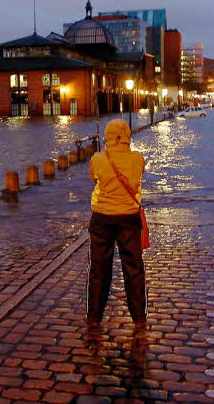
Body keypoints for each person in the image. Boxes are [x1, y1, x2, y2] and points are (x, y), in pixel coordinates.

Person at [86, 118, 147, 329]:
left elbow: (95, 179)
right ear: (127, 138)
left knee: (99, 269)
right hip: (129, 218)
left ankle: (94, 316)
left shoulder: (97, 159)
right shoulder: (138, 158)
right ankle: (139, 317)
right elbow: (138, 177)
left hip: (102, 217)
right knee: (134, 268)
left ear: (108, 138)